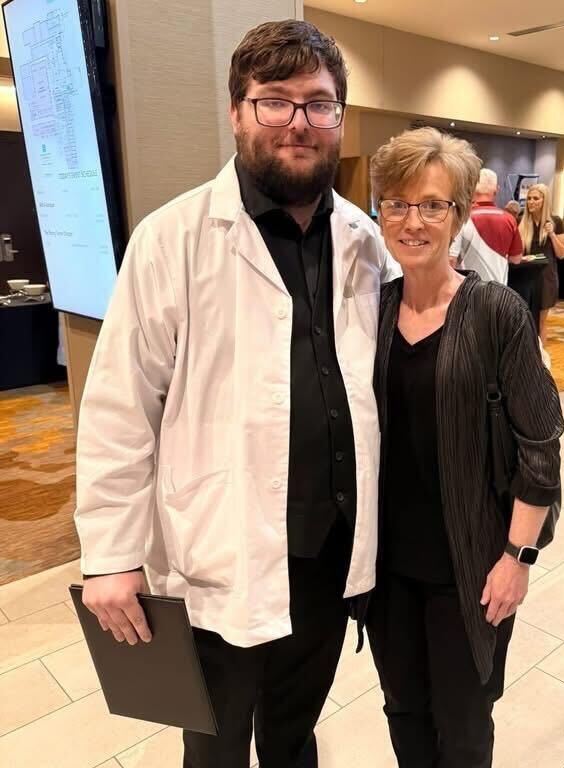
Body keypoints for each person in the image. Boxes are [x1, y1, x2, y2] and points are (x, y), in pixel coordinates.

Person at [74, 20, 400, 768]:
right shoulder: (174, 238)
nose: (298, 122)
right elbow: (122, 407)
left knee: (293, 735)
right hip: (220, 554)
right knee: (215, 745)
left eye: (319, 104)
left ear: (340, 118)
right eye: (274, 102)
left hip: (327, 560)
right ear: (237, 111)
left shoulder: (363, 240)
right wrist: (111, 556)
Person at [368, 126, 563, 768]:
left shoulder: (495, 312)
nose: (412, 221)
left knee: (463, 725)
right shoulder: (371, 310)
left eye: (432, 205)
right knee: (404, 717)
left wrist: (519, 556)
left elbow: (540, 445)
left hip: (470, 567)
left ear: (458, 218)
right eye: (396, 203)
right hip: (386, 569)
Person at [517, 183, 564, 344]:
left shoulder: (556, 221)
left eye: (535, 199)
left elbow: (561, 254)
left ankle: (540, 360)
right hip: (525, 276)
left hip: (546, 277)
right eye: (529, 198)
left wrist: (551, 234)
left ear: (544, 201)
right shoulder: (521, 221)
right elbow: (516, 253)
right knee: (524, 320)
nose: (531, 202)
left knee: (541, 321)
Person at [456, 167, 524, 283]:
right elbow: (516, 259)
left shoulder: (462, 218)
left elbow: (451, 258)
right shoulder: (509, 219)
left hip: (467, 288)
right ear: (497, 190)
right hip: (498, 289)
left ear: (472, 189)